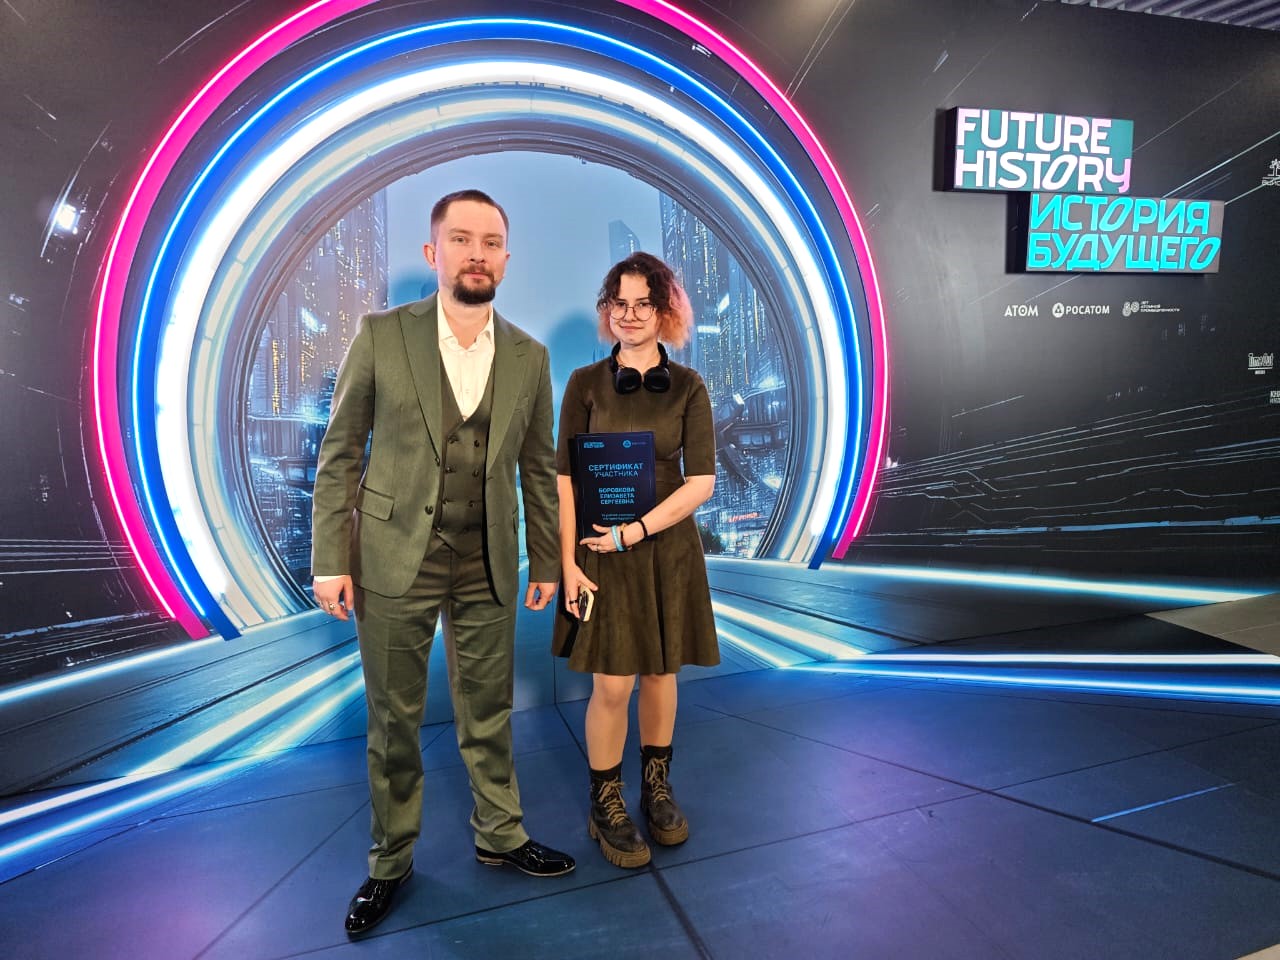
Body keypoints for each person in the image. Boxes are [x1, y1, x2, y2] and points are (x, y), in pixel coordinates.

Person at [311, 189, 574, 937]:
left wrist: (545, 562)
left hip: (488, 559)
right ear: (434, 253)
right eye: (461, 239)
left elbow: (537, 468)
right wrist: (330, 559)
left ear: (506, 259)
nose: (476, 254)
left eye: (490, 242)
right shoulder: (381, 334)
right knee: (394, 720)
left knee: (489, 710)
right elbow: (340, 454)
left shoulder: (530, 356)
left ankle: (501, 836)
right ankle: (390, 861)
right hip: (392, 557)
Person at [553, 251, 719, 869]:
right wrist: (569, 563)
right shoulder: (584, 384)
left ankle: (656, 789)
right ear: (607, 311)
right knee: (613, 682)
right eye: (617, 304)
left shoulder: (689, 386)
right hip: (599, 553)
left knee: (660, 673)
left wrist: (637, 531)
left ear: (664, 311)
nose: (628, 315)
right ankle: (606, 802)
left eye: (641, 304)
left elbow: (701, 482)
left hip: (666, 550)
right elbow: (564, 480)